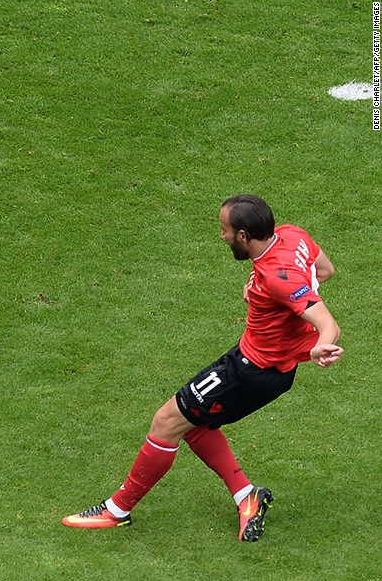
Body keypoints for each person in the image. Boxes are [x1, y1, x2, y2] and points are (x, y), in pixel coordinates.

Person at [62, 194, 343, 542]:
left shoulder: (277, 277)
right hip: (267, 368)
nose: (222, 237)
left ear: (243, 235)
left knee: (166, 421)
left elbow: (325, 321)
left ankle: (116, 510)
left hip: (250, 370)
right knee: (196, 423)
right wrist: (261, 294)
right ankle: (247, 496)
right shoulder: (292, 235)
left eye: (225, 231)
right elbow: (324, 271)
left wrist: (321, 344)